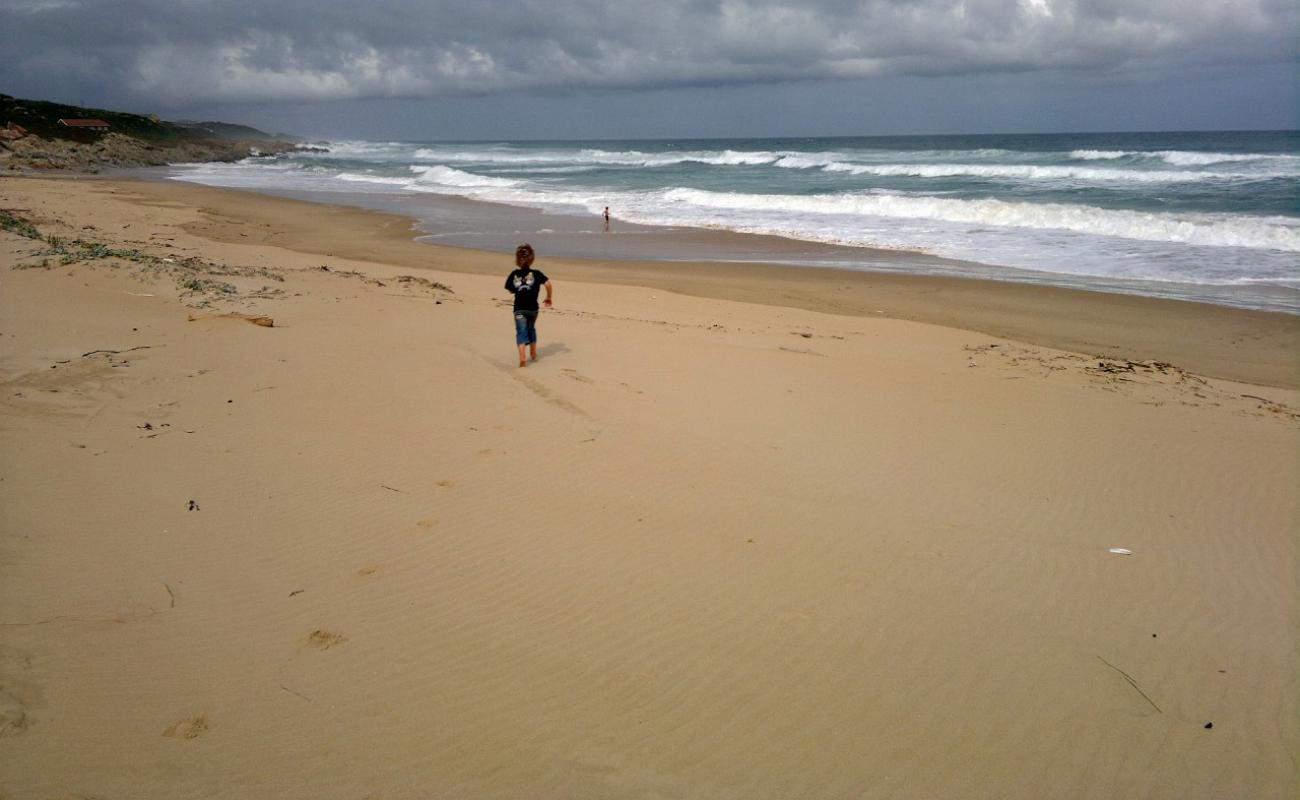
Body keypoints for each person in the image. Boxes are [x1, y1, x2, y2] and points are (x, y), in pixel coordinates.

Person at [504, 243, 552, 367]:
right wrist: (548, 297)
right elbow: (548, 284)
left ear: (517, 260)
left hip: (519, 309)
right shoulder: (537, 273)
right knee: (531, 328)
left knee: (521, 331)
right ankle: (533, 352)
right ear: (532, 259)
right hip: (533, 309)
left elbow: (509, 288)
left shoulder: (514, 274)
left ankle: (522, 357)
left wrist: (517, 289)